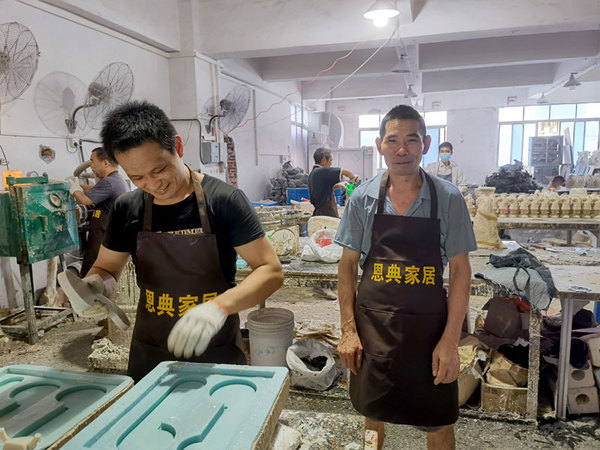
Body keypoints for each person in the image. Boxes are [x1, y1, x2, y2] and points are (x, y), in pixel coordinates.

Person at [79, 100, 283, 382]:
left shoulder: (223, 200)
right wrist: (96, 285)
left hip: (214, 351)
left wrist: (218, 307)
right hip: (150, 352)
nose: (153, 184)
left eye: (159, 169)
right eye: (137, 177)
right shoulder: (128, 207)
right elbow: (107, 268)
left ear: (178, 146)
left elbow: (271, 271)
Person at [335, 105, 477, 450]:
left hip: (429, 332)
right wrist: (349, 330)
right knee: (372, 411)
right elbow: (347, 266)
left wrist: (450, 340)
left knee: (438, 420)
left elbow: (460, 271)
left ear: (425, 144)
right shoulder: (363, 199)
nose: (402, 149)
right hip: (374, 329)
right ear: (380, 145)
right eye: (392, 140)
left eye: (411, 140)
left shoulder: (448, 198)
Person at [66, 147, 129, 277]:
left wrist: (74, 189)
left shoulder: (109, 182)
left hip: (103, 243)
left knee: (92, 279)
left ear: (105, 163)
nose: (92, 167)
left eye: (93, 162)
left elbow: (83, 200)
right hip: (108, 240)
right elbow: (94, 188)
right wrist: (77, 185)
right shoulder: (117, 180)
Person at [308, 147, 360, 217]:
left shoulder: (313, 174)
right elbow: (345, 171)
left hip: (319, 214)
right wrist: (353, 177)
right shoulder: (321, 171)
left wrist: (339, 185)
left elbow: (322, 191)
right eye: (330, 160)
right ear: (324, 159)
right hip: (326, 215)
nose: (331, 164)